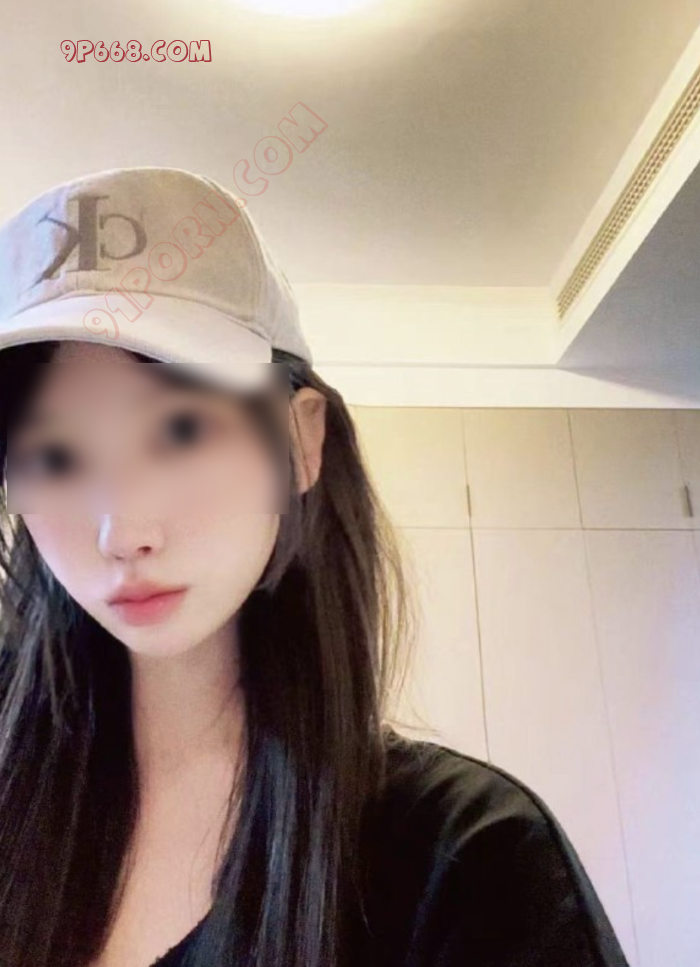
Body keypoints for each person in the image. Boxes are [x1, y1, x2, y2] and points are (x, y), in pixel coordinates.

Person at [0, 167, 631, 967]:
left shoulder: (469, 860)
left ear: (300, 440)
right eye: (54, 456)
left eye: (181, 430)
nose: (122, 531)